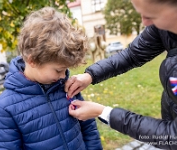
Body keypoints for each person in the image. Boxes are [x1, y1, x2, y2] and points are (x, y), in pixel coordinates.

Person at [65, 0, 177, 149]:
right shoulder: (164, 27)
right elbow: (132, 55)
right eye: (141, 13)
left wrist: (104, 112)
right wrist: (90, 75)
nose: (144, 22)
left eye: (151, 15)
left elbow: (172, 137)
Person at [0, 7, 102, 150]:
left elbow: (88, 129)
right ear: (33, 61)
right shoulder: (5, 109)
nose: (64, 76)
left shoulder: (67, 87)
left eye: (65, 70)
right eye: (58, 70)